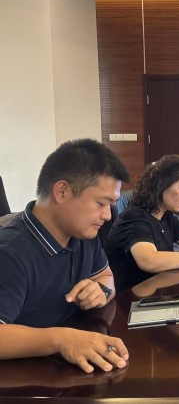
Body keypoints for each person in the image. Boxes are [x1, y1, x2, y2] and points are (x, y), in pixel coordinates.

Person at [0, 139, 130, 373]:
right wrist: (61, 340)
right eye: (101, 203)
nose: (108, 216)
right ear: (62, 192)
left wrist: (101, 291)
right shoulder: (10, 252)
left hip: (69, 372)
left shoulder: (84, 234)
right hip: (25, 379)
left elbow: (106, 277)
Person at [105, 155, 179, 290]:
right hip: (132, 298)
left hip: (158, 291)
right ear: (161, 184)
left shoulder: (165, 216)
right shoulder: (134, 217)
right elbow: (148, 261)